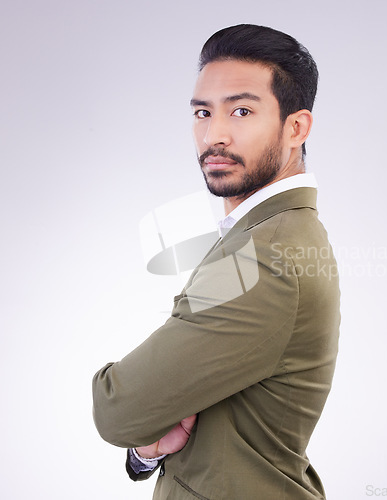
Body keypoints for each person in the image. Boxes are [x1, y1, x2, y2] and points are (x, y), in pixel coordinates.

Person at [93, 24, 341, 500]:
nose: (215, 134)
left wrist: (129, 409)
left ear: (296, 127)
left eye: (242, 110)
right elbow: (165, 402)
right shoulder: (263, 237)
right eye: (203, 113)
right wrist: (146, 449)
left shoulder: (266, 255)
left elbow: (117, 408)